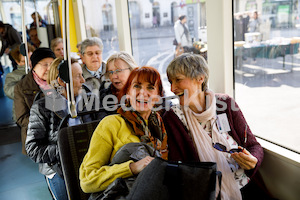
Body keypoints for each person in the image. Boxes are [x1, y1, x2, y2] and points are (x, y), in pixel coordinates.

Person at [162, 53, 267, 200]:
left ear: (200, 78)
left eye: (178, 80)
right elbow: (180, 167)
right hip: (209, 193)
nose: (172, 88)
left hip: (246, 185)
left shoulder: (226, 104)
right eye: (170, 82)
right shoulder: (173, 118)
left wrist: (253, 160)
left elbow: (253, 145)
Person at [79, 66, 168, 193]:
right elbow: (87, 181)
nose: (143, 93)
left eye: (150, 87)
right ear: (127, 92)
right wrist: (132, 168)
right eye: (137, 86)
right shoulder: (112, 124)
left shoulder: (159, 126)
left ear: (158, 96)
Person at [25, 57, 98, 200]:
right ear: (61, 81)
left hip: (91, 160)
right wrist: (65, 151)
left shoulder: (90, 99)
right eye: (78, 77)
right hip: (57, 167)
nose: (83, 81)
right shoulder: (42, 107)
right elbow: (32, 148)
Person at [14, 48, 56, 155]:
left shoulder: (60, 82)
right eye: (45, 64)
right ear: (33, 66)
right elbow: (21, 118)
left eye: (52, 64)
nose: (49, 68)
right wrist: (46, 121)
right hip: (38, 135)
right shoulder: (22, 87)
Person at [98, 51, 138, 119]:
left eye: (118, 71)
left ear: (131, 70)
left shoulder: (146, 91)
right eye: (110, 72)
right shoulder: (103, 96)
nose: (114, 76)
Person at [4, 44, 35, 121]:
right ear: (17, 62)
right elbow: (9, 92)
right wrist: (26, 81)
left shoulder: (41, 71)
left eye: (31, 59)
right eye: (24, 62)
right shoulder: (12, 76)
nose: (29, 63)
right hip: (24, 114)